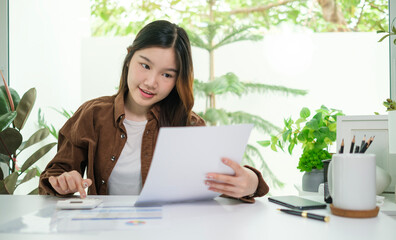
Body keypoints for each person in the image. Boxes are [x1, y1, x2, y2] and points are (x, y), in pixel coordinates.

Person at [39, 20, 269, 203]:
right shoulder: (92, 115)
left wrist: (250, 182)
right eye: (145, 65)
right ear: (129, 57)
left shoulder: (189, 125)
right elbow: (55, 174)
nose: (151, 82)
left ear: (179, 79)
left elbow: (216, 180)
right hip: (105, 230)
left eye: (167, 74)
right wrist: (65, 181)